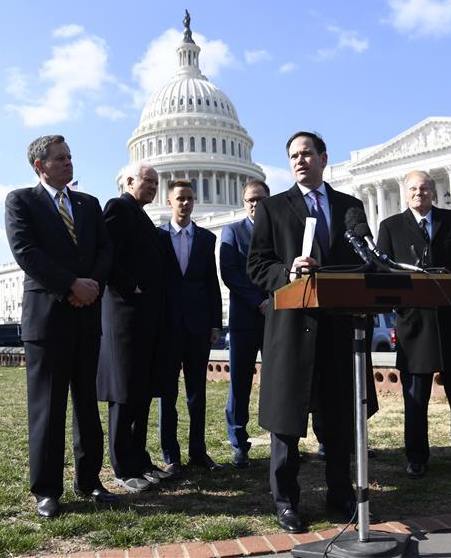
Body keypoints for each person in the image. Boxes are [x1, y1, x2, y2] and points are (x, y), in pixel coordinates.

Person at [248, 131, 377, 534]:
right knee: (286, 424)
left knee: (340, 418)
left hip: (340, 330)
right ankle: (286, 501)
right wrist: (288, 270)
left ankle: (339, 492)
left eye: (306, 154)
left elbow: (364, 255)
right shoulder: (271, 209)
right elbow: (257, 266)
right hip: (292, 330)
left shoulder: (349, 207)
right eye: (293, 156)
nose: (300, 161)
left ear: (323, 157)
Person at [4, 135, 116, 519]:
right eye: (60, 158)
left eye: (70, 157)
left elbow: (105, 251)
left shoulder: (89, 204)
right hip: (48, 319)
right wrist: (71, 284)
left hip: (87, 316)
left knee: (87, 405)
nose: (69, 163)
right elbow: (26, 253)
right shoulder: (21, 201)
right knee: (48, 409)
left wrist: (92, 285)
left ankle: (90, 481)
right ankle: (47, 490)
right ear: (40, 165)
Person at [376, 170, 451, 480]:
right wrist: (401, 304)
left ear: (433, 193)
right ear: (405, 193)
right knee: (415, 397)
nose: (418, 193)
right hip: (414, 325)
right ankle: (416, 458)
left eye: (424, 188)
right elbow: (382, 271)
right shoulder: (391, 227)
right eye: (412, 188)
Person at [97, 163, 171, 493]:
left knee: (141, 392)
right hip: (124, 315)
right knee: (124, 393)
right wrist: (132, 288)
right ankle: (121, 467)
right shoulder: (117, 207)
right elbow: (106, 256)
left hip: (146, 317)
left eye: (156, 182)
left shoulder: (142, 215)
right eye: (148, 181)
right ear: (129, 181)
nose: (154, 186)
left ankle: (140, 459)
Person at [157, 180, 224, 473]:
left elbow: (212, 282)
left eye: (189, 199)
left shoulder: (207, 239)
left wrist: (215, 323)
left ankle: (198, 451)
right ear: (170, 202)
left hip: (198, 325)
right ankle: (170, 455)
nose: (185, 203)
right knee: (167, 394)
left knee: (197, 393)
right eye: (180, 198)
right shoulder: (157, 237)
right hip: (169, 326)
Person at [220, 179, 270, 469]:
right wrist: (258, 301)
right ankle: (239, 443)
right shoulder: (232, 231)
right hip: (244, 319)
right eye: (251, 199)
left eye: (261, 199)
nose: (255, 204)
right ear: (244, 202)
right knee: (239, 383)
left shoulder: (277, 233)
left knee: (276, 381)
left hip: (276, 315)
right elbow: (230, 273)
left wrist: (272, 302)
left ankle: (280, 437)